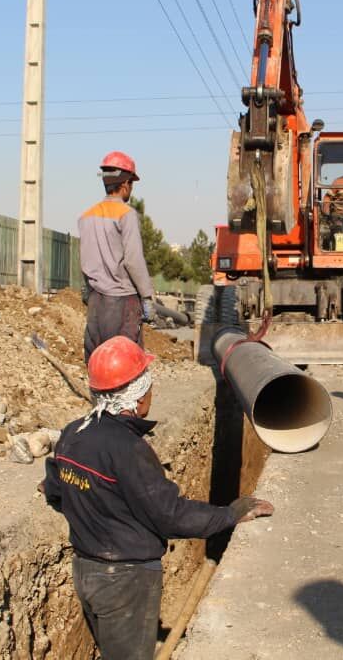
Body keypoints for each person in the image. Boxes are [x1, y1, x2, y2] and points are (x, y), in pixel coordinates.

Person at [43, 336, 274, 659]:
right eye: (149, 388)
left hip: (86, 572)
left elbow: (55, 491)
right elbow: (169, 515)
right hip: (126, 581)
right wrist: (229, 515)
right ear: (137, 399)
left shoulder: (73, 433)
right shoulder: (128, 449)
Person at [79, 151, 156, 361]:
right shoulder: (126, 214)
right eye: (132, 183)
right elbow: (133, 260)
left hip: (96, 301)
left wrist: (89, 288)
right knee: (126, 361)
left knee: (98, 359)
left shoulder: (86, 216)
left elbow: (85, 259)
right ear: (125, 184)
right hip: (123, 302)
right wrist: (147, 297)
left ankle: (99, 395)